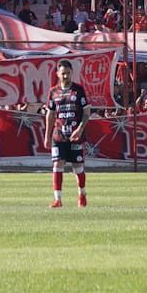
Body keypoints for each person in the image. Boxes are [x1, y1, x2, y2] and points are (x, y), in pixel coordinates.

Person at [43, 60, 89, 208]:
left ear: (71, 73)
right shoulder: (53, 92)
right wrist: (47, 136)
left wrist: (80, 129)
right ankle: (58, 199)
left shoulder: (78, 90)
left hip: (75, 134)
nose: (65, 76)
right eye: (63, 73)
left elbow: (87, 113)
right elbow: (50, 115)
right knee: (57, 163)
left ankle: (82, 194)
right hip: (59, 135)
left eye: (68, 73)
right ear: (57, 73)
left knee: (77, 166)